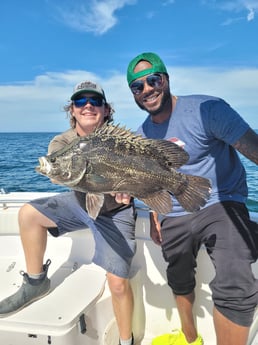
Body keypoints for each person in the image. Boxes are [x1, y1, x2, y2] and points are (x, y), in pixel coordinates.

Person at [126, 52, 258, 345]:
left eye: (153, 80)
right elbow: (149, 183)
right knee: (178, 273)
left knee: (235, 275)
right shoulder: (139, 137)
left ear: (166, 79)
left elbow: (253, 149)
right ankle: (189, 336)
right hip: (174, 210)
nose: (147, 89)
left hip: (220, 201)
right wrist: (154, 212)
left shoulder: (207, 109)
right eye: (138, 86)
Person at [0, 80, 135, 345]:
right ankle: (36, 282)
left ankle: (125, 340)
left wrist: (129, 187)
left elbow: (134, 173)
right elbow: (60, 174)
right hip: (79, 202)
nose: (88, 106)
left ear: (106, 110)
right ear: (71, 109)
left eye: (95, 101)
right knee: (28, 214)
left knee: (118, 284)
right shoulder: (62, 142)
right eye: (80, 101)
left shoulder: (119, 141)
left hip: (115, 211)